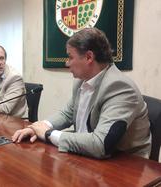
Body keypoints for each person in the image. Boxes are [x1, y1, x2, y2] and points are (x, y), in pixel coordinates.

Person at [12, 28, 151, 159]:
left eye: (70, 57)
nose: (67, 63)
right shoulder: (82, 81)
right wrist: (39, 127)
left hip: (125, 165)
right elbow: (68, 113)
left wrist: (48, 134)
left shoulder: (120, 88)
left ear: (89, 57)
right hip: (88, 154)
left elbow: (100, 144)